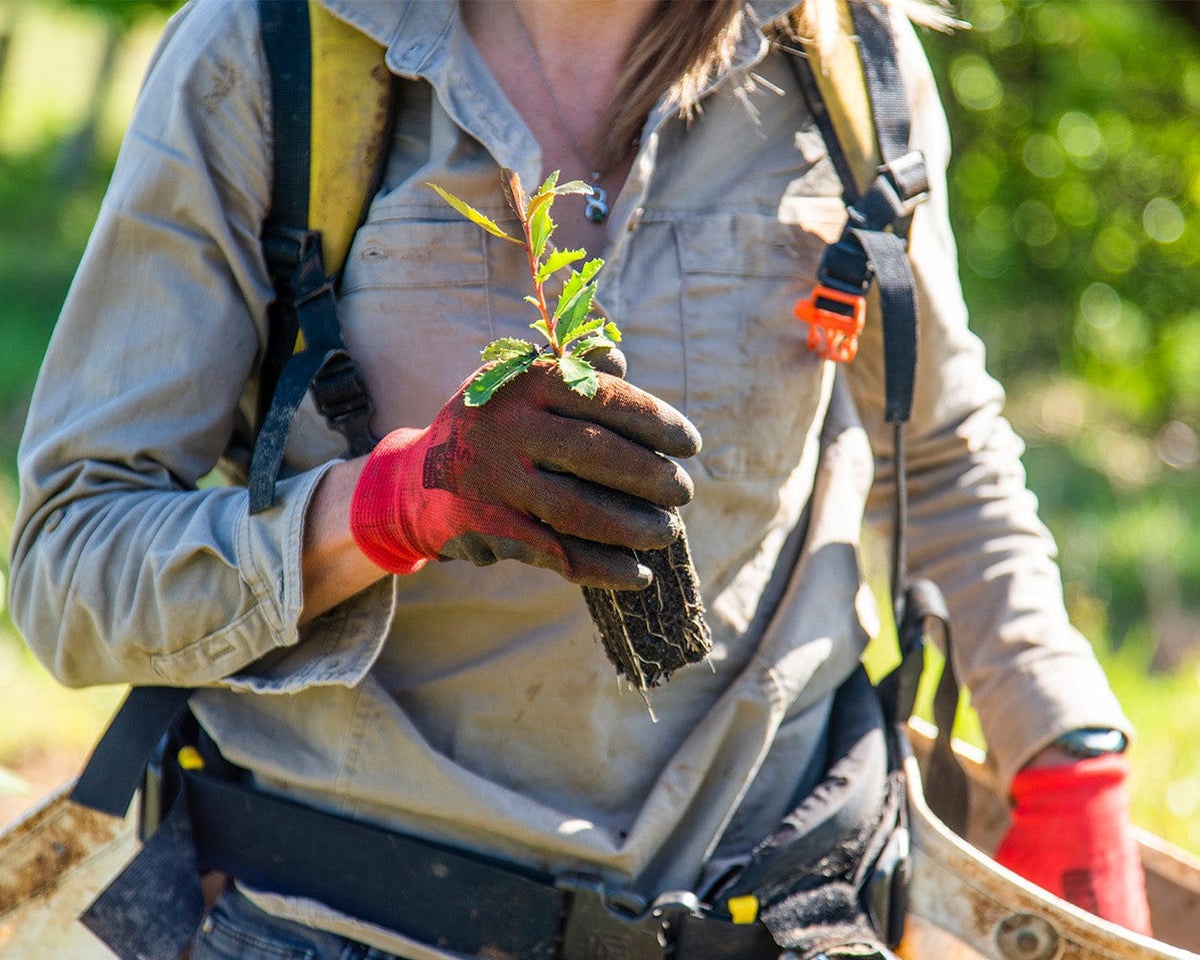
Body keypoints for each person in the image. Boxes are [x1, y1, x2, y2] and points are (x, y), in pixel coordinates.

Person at [8, 0, 1152, 957]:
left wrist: (1067, 761)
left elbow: (935, 455)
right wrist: (395, 506)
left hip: (782, 909)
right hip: (348, 916)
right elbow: (70, 567)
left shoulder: (847, 54)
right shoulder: (269, 52)